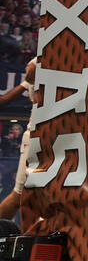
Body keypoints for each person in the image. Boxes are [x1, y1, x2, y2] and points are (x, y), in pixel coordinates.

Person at [0, 59, 35, 220]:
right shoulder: (44, 56)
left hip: (62, 131)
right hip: (37, 131)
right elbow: (30, 71)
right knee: (18, 195)